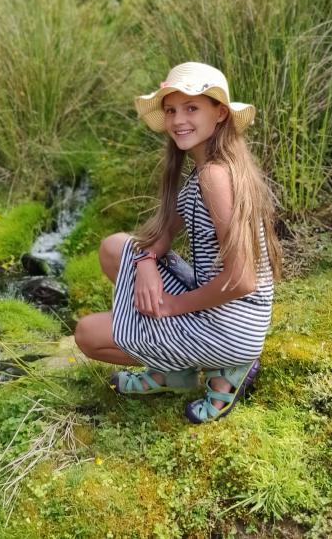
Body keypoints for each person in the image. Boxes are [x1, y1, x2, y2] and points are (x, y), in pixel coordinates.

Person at [74, 62, 282, 424]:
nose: (177, 120)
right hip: (223, 309)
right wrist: (145, 264)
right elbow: (163, 232)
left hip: (231, 326)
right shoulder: (205, 170)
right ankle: (178, 373)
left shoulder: (216, 176)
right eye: (171, 110)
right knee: (115, 247)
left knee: (87, 334)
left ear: (219, 114)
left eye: (191, 108)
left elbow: (243, 279)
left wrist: (174, 306)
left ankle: (222, 365)